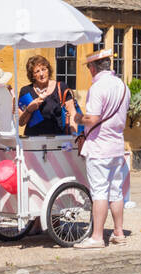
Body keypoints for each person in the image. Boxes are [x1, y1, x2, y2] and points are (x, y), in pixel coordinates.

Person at [75, 50, 130, 250]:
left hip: (99, 146)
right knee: (116, 190)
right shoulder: (123, 86)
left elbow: (93, 118)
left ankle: (97, 237)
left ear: (92, 67)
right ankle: (119, 232)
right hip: (117, 146)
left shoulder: (98, 88)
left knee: (99, 191)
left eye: (88, 68)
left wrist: (77, 118)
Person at [18, 55, 78, 136]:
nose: (41, 74)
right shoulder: (26, 91)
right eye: (37, 71)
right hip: (33, 140)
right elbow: (21, 123)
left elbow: (72, 113)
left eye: (44, 69)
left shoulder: (61, 87)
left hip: (57, 140)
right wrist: (29, 109)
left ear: (48, 70)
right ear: (32, 75)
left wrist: (73, 135)